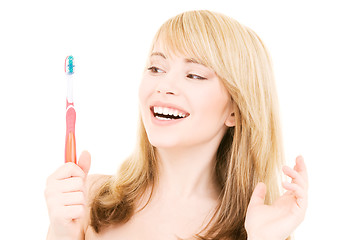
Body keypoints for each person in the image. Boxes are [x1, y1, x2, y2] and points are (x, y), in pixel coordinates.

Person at [45, 10, 308, 240]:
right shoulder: (89, 200)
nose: (165, 86)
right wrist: (62, 233)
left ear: (235, 111)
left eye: (194, 75)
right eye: (156, 68)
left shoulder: (253, 227)